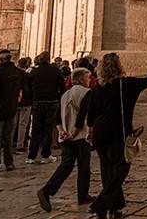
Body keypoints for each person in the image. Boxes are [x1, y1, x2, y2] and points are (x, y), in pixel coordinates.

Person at [87, 53, 147, 219]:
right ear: (119, 67)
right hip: (118, 132)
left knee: (107, 171)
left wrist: (90, 133)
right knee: (121, 169)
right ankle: (101, 204)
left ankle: (116, 207)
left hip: (99, 133)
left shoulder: (98, 88)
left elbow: (91, 115)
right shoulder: (126, 84)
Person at [36, 68, 95, 212]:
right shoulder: (86, 93)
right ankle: (83, 195)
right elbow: (82, 115)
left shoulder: (65, 94)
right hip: (79, 136)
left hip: (65, 136)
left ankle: (47, 190)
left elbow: (57, 117)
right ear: (81, 79)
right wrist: (75, 132)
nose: (89, 81)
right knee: (84, 166)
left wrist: (62, 132)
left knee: (66, 165)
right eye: (88, 78)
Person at [27, 51, 65, 165]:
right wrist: (58, 98)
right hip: (51, 102)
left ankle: (31, 156)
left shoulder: (34, 72)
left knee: (36, 129)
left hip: (37, 102)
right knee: (48, 129)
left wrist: (32, 97)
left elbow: (27, 86)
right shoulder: (55, 71)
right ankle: (45, 155)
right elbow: (62, 87)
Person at [14, 56, 33, 152]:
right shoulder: (27, 76)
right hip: (26, 102)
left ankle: (9, 143)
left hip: (14, 102)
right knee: (23, 124)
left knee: (13, 124)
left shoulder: (14, 75)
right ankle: (20, 144)